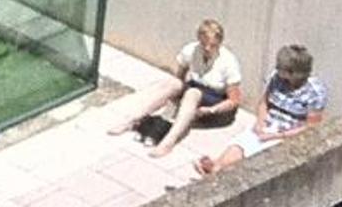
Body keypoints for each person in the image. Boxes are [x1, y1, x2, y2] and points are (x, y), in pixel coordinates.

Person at [104, 18, 242, 158]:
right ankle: (132, 119)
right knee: (173, 83)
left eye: (213, 45)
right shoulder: (191, 50)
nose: (207, 49)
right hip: (195, 88)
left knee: (193, 93)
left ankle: (169, 141)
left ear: (219, 43)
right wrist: (172, 97)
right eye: (204, 44)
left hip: (216, 101)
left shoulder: (228, 62)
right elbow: (180, 78)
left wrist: (211, 110)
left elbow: (234, 101)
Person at [195, 44, 328, 177]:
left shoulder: (315, 91)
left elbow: (311, 126)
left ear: (293, 73)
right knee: (238, 147)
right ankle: (216, 166)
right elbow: (264, 103)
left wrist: (276, 135)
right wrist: (260, 122)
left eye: (281, 68)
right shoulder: (276, 78)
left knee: (254, 156)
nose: (277, 69)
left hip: (286, 133)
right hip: (267, 125)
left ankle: (215, 169)